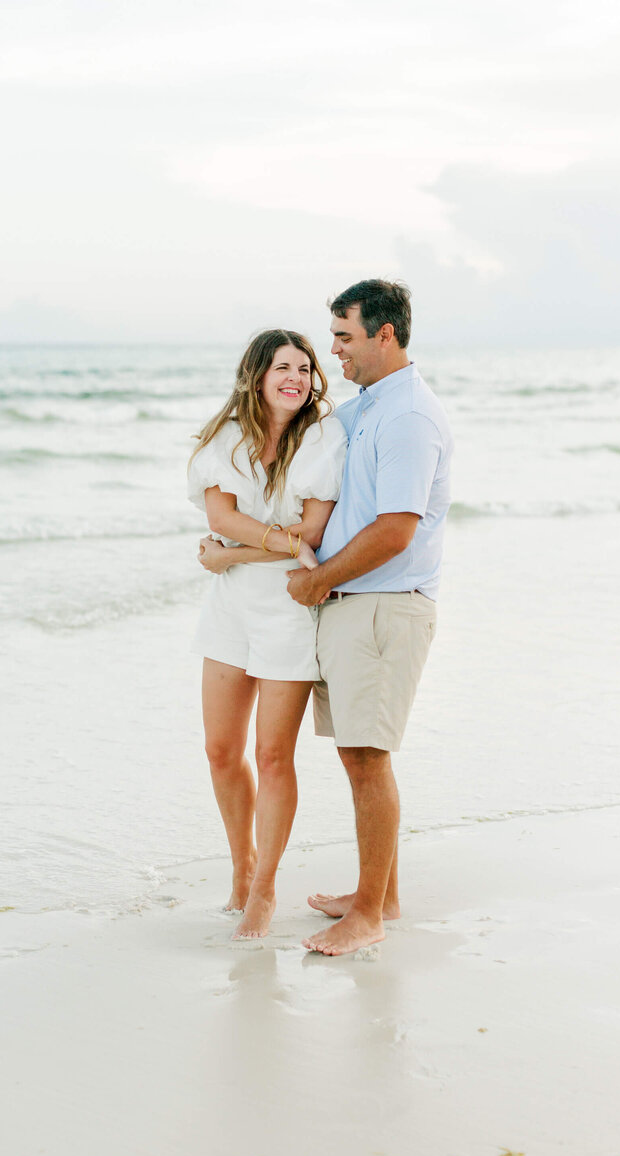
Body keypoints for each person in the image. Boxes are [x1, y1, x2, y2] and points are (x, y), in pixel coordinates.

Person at [286, 280, 454, 956]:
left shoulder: (408, 416)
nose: (334, 350)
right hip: (354, 605)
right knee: (358, 756)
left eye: (345, 336)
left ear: (386, 335)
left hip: (383, 607)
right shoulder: (367, 408)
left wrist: (318, 579)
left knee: (368, 757)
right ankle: (375, 894)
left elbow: (395, 530)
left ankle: (372, 919)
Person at [187, 329, 347, 940]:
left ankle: (264, 889)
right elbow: (223, 519)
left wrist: (229, 556)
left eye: (305, 369)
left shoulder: (323, 437)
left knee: (273, 755)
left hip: (288, 613)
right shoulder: (226, 438)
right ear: (257, 375)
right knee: (221, 752)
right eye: (283, 367)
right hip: (230, 610)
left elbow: (313, 534)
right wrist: (275, 544)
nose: (296, 378)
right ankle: (240, 864)